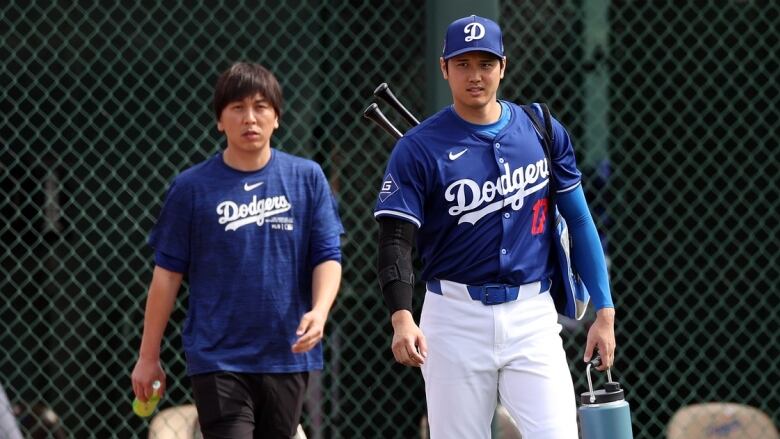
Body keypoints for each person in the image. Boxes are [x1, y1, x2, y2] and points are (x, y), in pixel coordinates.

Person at [373, 15, 616, 439]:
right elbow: (395, 241)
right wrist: (401, 316)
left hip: (532, 315)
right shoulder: (417, 148)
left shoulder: (540, 128)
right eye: (463, 64)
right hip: (453, 316)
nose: (475, 75)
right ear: (444, 68)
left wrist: (605, 311)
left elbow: (579, 219)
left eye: (485, 63)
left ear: (503, 66)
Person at [131, 62, 344, 439]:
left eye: (261, 106)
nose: (250, 118)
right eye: (237, 108)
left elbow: (327, 256)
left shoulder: (307, 178)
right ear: (219, 121)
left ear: (277, 117)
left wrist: (320, 310)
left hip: (288, 354)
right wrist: (149, 357)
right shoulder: (191, 189)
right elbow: (166, 278)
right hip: (218, 358)